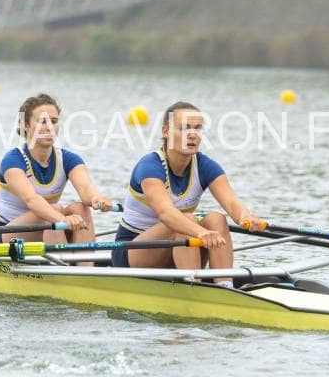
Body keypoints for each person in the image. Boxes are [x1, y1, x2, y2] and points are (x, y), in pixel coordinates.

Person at [111, 101, 263, 288]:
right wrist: (200, 232)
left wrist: (245, 217)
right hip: (132, 253)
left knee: (216, 219)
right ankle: (194, 288)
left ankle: (225, 286)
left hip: (177, 247)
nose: (192, 134)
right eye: (184, 128)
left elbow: (231, 202)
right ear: (166, 131)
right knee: (186, 220)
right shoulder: (149, 166)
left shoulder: (205, 166)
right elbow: (166, 213)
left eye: (197, 128)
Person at [0, 93, 113, 262]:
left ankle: (85, 269)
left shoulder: (69, 159)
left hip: (47, 227)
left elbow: (85, 189)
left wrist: (97, 198)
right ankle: (61, 267)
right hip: (4, 237)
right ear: (26, 126)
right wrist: (62, 219)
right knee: (54, 210)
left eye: (53, 121)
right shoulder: (13, 160)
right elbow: (31, 200)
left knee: (80, 208)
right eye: (42, 122)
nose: (49, 128)